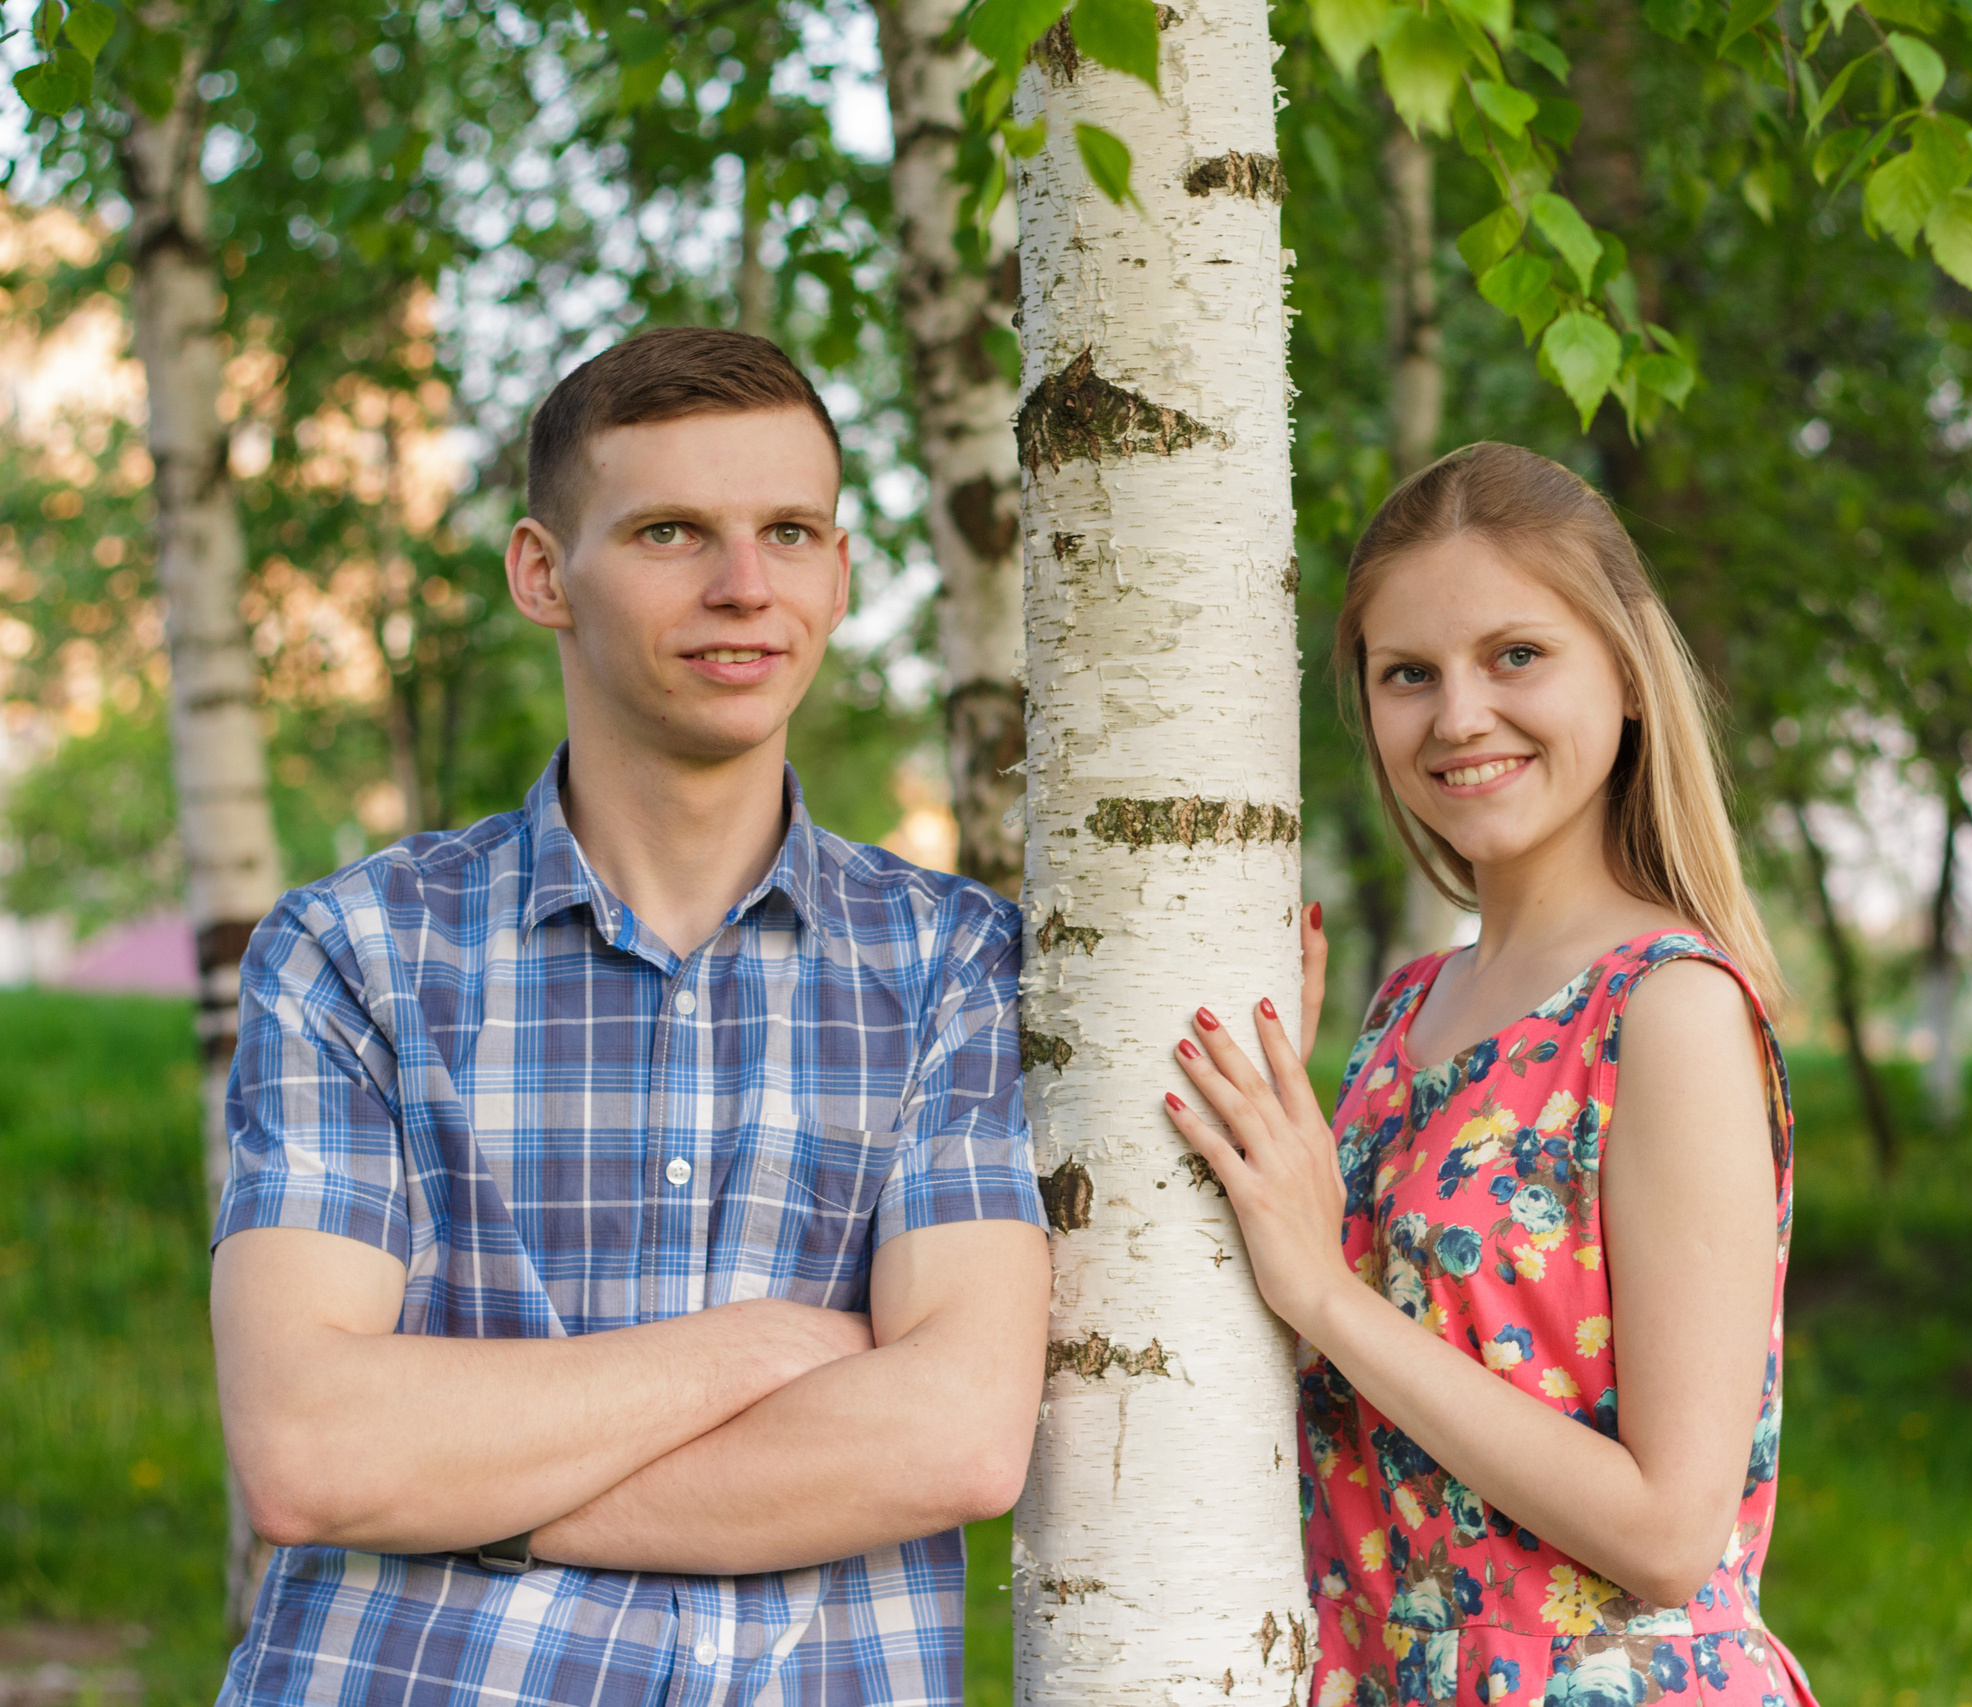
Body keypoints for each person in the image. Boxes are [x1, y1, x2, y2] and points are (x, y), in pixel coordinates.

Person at [207, 327, 1050, 1707]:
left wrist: (466, 1484)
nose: (742, 587)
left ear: (840, 574)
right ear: (545, 574)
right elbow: (312, 1450)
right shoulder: (355, 949)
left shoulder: (955, 962)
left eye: (788, 531)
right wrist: (760, 1348)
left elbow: (955, 1440)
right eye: (670, 531)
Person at [1164, 443, 1816, 1706]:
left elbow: (1670, 1532)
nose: (1459, 714)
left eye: (1515, 655)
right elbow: (1355, 1412)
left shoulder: (1667, 1010)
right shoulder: (1411, 1006)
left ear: (1625, 678)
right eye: (1410, 674)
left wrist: (1327, 1294)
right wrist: (1281, 1119)